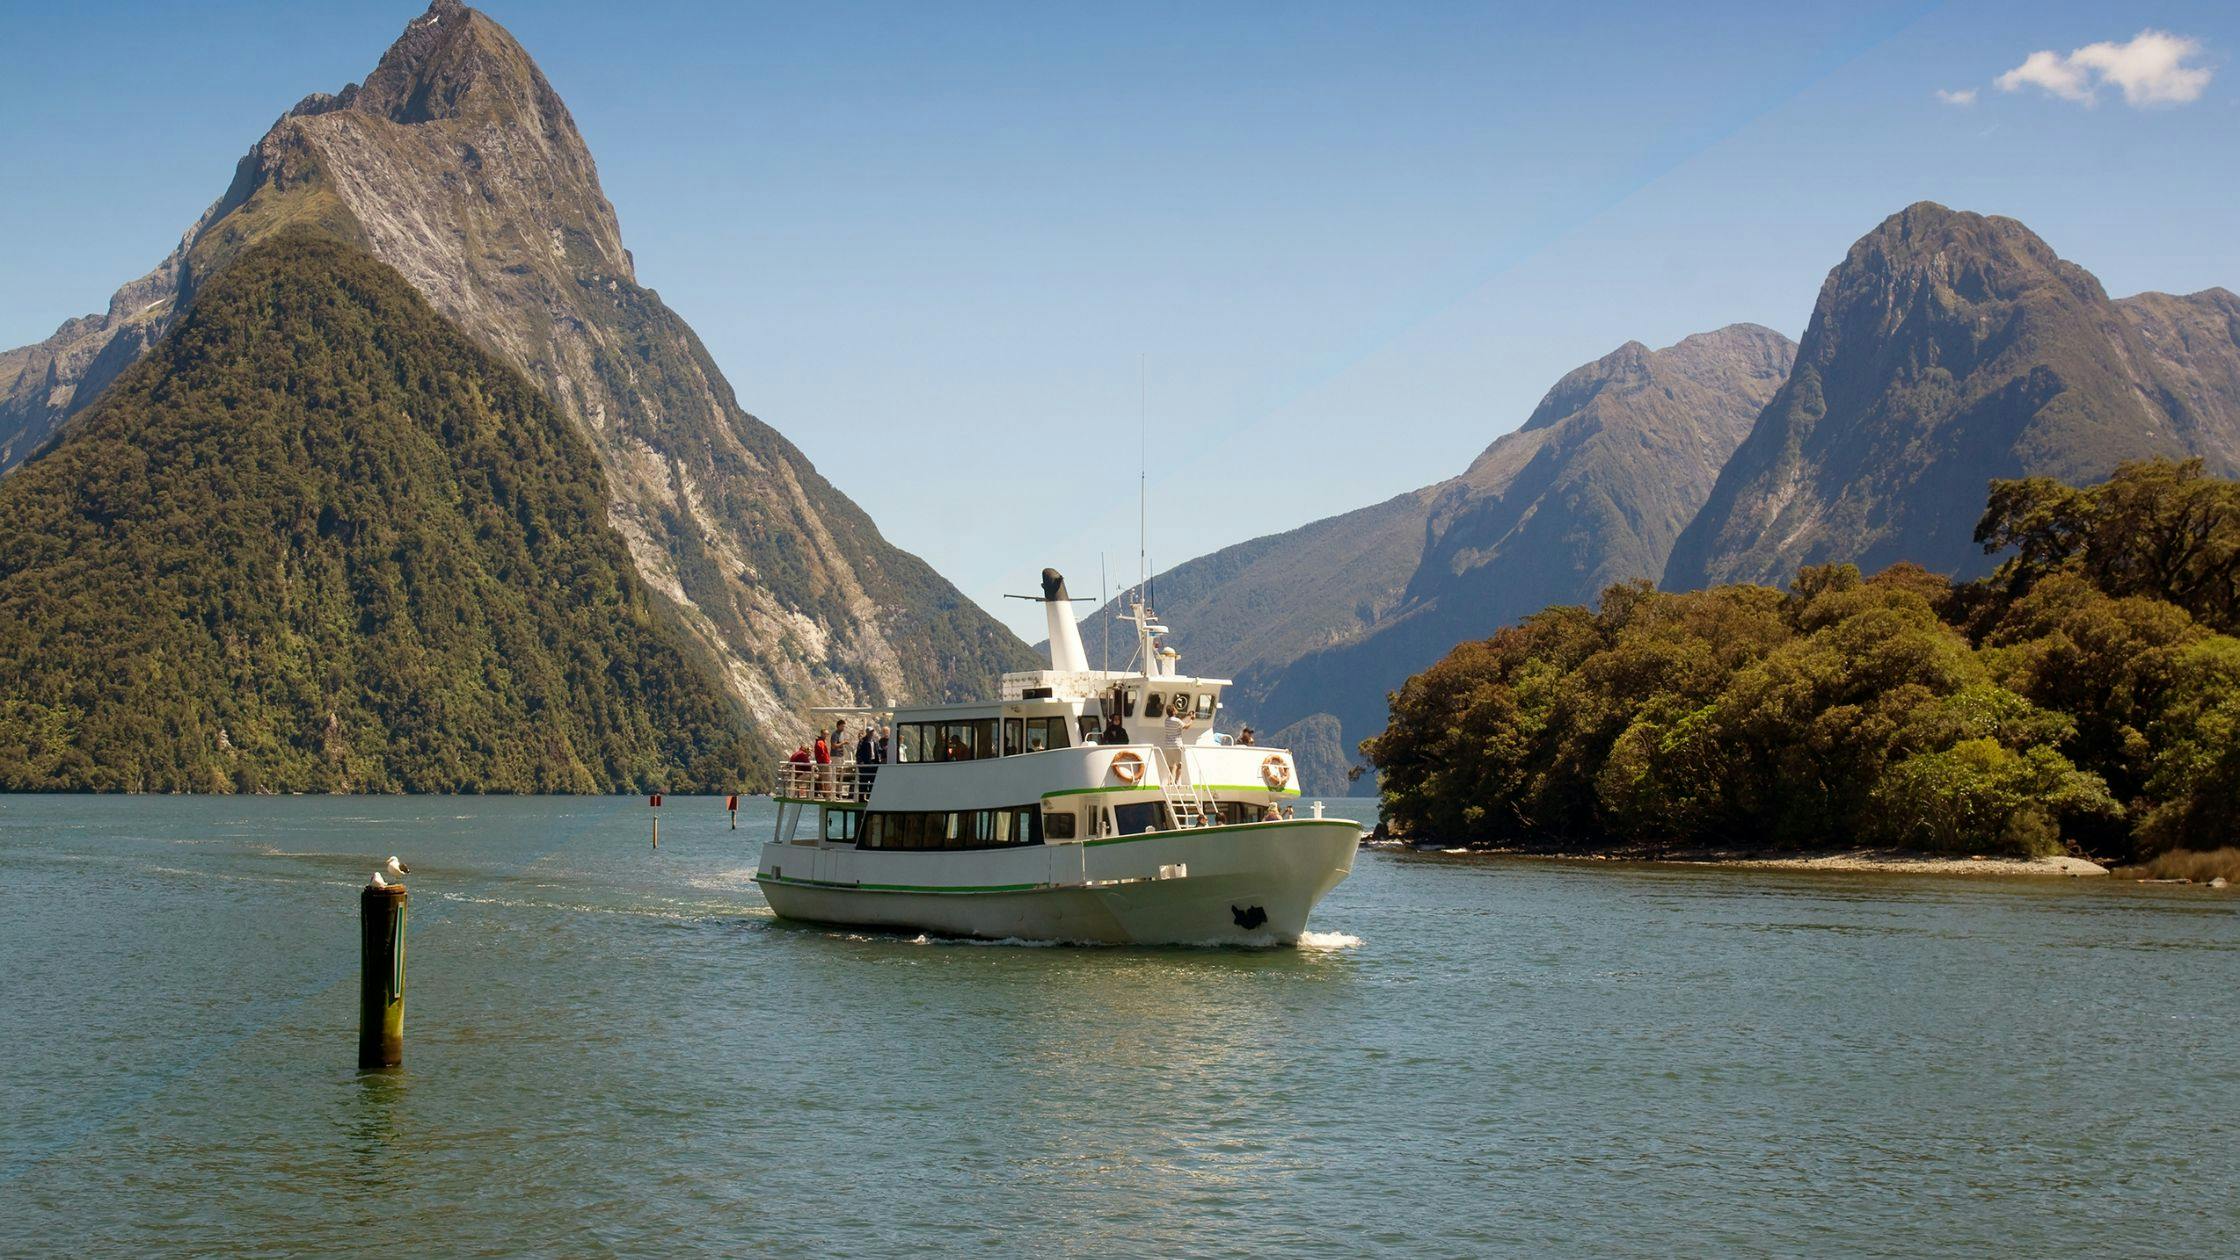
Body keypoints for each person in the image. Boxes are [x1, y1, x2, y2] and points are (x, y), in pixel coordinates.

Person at [1162, 705, 1192, 781]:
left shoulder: (1167, 720)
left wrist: (1187, 716)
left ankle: (1170, 781)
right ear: (1173, 711)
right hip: (1176, 745)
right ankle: (1176, 781)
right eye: (1175, 709)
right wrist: (1192, 719)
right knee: (1179, 765)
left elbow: (1178, 721)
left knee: (1170, 765)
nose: (1176, 709)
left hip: (1168, 746)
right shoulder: (1177, 721)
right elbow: (1186, 727)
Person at [854, 728, 877, 799]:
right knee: (864, 780)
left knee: (873, 780)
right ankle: (861, 798)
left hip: (873, 763)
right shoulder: (862, 741)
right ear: (867, 733)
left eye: (873, 732)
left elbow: (877, 751)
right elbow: (858, 753)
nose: (872, 733)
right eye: (870, 732)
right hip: (865, 763)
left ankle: (870, 796)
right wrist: (861, 762)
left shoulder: (874, 741)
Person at [813, 728, 832, 796]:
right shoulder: (820, 742)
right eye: (825, 734)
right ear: (822, 734)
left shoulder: (820, 742)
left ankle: (826, 792)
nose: (826, 735)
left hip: (822, 763)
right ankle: (827, 793)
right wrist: (827, 761)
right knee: (827, 778)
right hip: (824, 763)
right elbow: (823, 753)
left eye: (827, 734)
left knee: (825, 778)